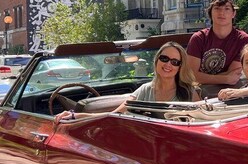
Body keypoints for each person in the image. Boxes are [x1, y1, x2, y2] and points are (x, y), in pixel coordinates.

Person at [54, 42, 199, 122]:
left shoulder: (189, 92)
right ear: (156, 61)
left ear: (180, 67)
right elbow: (114, 115)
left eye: (175, 62)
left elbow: (202, 124)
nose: (168, 65)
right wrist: (76, 115)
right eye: (164, 59)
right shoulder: (144, 90)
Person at [186, 0, 248, 91]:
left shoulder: (243, 40)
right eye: (217, 8)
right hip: (200, 92)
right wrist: (225, 78)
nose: (222, 13)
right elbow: (191, 76)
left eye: (227, 9)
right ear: (210, 12)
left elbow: (233, 76)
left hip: (232, 92)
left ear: (233, 13)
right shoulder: (198, 38)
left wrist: (203, 77)